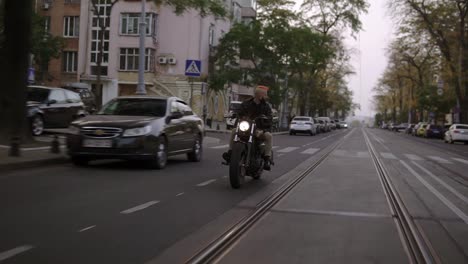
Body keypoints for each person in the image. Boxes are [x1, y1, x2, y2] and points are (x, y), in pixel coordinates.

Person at [222, 85, 273, 170]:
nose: (266, 97)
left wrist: (263, 130)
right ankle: (230, 152)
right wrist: (234, 114)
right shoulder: (246, 103)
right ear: (260, 95)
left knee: (269, 136)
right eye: (265, 95)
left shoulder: (266, 107)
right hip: (246, 127)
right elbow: (239, 112)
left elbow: (269, 119)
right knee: (234, 131)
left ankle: (267, 159)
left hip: (259, 129)